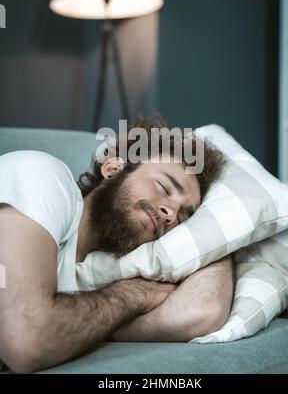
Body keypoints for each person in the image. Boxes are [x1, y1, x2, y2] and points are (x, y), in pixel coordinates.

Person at [0, 114, 234, 373]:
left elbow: (204, 311)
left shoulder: (100, 274)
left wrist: (222, 236)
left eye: (182, 216)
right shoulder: (42, 177)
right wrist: (136, 295)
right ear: (113, 169)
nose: (170, 213)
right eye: (164, 186)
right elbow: (27, 341)